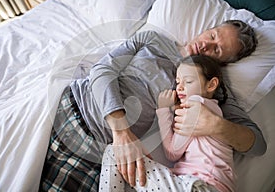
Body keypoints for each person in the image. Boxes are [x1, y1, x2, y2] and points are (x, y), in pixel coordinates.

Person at [39, 20, 266, 192]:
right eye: (213, 35)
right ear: (208, 28)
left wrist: (217, 125)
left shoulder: (211, 89)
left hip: (106, 158)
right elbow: (101, 70)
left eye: (216, 50)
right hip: (77, 112)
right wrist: (121, 132)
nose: (206, 44)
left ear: (220, 65)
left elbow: (257, 145)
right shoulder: (153, 39)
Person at [99, 55, 234, 192]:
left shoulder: (198, 108)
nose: (179, 87)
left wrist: (163, 110)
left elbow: (172, 152)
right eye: (178, 82)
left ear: (211, 85)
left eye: (188, 82)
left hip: (202, 186)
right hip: (205, 185)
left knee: (115, 152)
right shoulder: (213, 110)